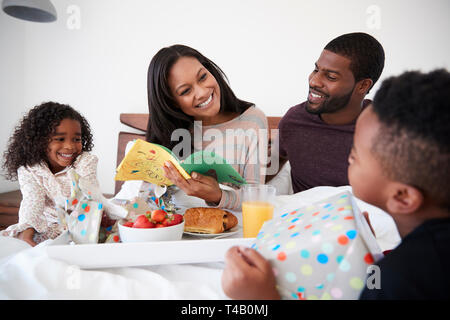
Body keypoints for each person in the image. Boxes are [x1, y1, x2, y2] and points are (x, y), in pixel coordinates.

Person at [221, 69, 450, 300]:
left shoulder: (398, 280)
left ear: (403, 197)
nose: (349, 159)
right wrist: (368, 250)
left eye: (355, 156)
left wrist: (263, 297)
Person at [144, 44, 268, 210]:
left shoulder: (252, 121)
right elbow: (150, 196)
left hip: (228, 230)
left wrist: (218, 196)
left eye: (202, 77)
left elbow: (256, 197)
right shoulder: (170, 131)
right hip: (174, 228)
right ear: (171, 102)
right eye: (186, 91)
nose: (202, 92)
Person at [273, 32, 385, 193]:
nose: (314, 81)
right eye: (316, 69)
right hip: (301, 215)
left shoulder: (386, 131)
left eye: (331, 77)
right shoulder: (294, 121)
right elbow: (270, 165)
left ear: (363, 86)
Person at [1, 102, 98, 246]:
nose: (70, 146)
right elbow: (32, 203)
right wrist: (26, 231)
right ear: (39, 141)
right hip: (46, 225)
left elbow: (87, 199)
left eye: (76, 139)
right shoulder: (29, 169)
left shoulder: (85, 161)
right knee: (16, 241)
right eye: (60, 139)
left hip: (84, 221)